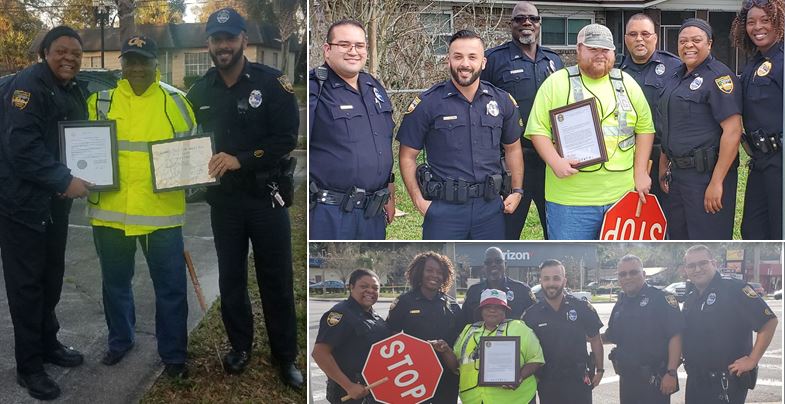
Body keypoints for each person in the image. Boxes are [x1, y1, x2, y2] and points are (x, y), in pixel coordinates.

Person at [186, 8, 302, 387]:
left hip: (266, 198)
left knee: (276, 280)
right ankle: (240, 347)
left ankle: (285, 357)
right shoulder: (199, 91)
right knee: (231, 279)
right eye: (216, 39)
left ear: (243, 41)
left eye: (230, 38)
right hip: (225, 204)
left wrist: (241, 159)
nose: (223, 45)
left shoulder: (272, 84)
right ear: (209, 44)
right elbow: (186, 142)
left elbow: (285, 140)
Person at [86, 35, 194, 377]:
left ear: (155, 62)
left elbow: (190, 154)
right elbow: (84, 150)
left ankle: (174, 354)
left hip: (160, 216)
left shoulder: (176, 101)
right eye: (130, 61)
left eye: (143, 61)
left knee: (171, 289)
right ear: (122, 65)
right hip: (110, 214)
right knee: (115, 284)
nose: (136, 68)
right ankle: (120, 341)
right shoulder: (100, 101)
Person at [0, 26, 91, 400]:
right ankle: (30, 366)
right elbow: (21, 148)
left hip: (53, 202)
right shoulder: (28, 88)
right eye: (61, 51)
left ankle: (49, 343)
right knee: (27, 287)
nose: (69, 58)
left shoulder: (70, 89)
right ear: (45, 52)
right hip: (21, 206)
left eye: (75, 53)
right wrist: (64, 178)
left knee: (52, 277)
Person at [524, 24, 655, 240]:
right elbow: (537, 130)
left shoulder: (627, 84)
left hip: (621, 196)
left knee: (615, 263)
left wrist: (640, 172)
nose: (600, 55)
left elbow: (645, 129)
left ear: (613, 52)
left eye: (605, 50)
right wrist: (555, 162)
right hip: (570, 200)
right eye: (593, 49)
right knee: (572, 261)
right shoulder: (556, 84)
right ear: (579, 50)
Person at [398, 29, 524, 240]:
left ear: (483, 62)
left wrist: (517, 191)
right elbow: (407, 155)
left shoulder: (502, 101)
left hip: (490, 209)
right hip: (444, 211)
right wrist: (419, 201)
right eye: (458, 57)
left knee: (487, 268)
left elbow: (513, 148)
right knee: (440, 268)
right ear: (448, 61)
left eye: (472, 57)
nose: (465, 63)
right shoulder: (428, 103)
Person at [482, 1, 563, 240]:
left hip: (550, 162)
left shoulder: (554, 61)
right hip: (513, 162)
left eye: (532, 18)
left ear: (539, 23)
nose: (526, 22)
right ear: (511, 25)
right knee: (508, 229)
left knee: (555, 229)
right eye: (520, 19)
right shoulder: (494, 60)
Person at [309, 19, 395, 240]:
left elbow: (384, 143)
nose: (353, 51)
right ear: (327, 50)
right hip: (330, 213)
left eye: (359, 45)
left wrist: (390, 193)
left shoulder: (373, 87)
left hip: (372, 212)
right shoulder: (315, 88)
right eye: (344, 44)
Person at [657, 19, 743, 240]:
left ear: (709, 44)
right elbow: (671, 124)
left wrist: (717, 182)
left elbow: (732, 132)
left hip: (706, 177)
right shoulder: (675, 76)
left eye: (696, 40)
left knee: (707, 240)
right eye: (683, 41)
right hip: (678, 176)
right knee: (679, 239)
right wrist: (664, 164)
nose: (688, 45)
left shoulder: (720, 77)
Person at [681, 245, 778, 404]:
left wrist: (752, 360)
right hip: (696, 382)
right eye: (691, 265)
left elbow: (769, 321)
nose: (697, 269)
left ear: (714, 263)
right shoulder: (691, 297)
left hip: (726, 384)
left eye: (703, 263)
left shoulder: (734, 289)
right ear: (686, 270)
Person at [434, 288, 543, 404]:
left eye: (497, 307)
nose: (492, 310)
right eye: (487, 307)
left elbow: (536, 359)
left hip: (515, 400)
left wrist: (519, 377)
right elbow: (456, 366)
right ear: (481, 310)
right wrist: (445, 350)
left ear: (505, 310)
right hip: (473, 399)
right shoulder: (469, 330)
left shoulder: (519, 329)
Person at [617, 13, 682, 208]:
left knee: (666, 214)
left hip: (664, 154)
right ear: (625, 38)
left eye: (645, 33)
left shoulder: (675, 67)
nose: (639, 39)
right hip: (625, 155)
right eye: (633, 34)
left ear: (655, 37)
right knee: (628, 211)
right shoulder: (615, 70)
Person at [732, 0, 784, 239]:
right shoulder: (754, 62)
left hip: (780, 161)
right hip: (759, 162)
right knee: (753, 230)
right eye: (751, 22)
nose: (757, 27)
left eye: (765, 20)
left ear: (779, 22)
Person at [602, 255, 684, 403]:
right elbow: (612, 335)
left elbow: (675, 336)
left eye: (633, 272)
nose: (628, 277)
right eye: (623, 274)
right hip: (627, 379)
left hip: (654, 380)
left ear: (644, 274)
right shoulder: (620, 303)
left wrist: (671, 373)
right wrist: (586, 336)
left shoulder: (661, 299)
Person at [522, 259, 604, 404]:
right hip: (548, 382)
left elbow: (595, 339)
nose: (551, 283)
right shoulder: (531, 315)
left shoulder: (582, 307)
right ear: (541, 281)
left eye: (556, 278)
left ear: (564, 281)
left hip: (579, 380)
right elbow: (524, 348)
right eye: (546, 279)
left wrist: (600, 369)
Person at [387, 252, 462, 404]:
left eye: (440, 272)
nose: (435, 275)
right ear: (420, 271)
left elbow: (461, 339)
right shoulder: (403, 302)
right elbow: (391, 337)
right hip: (414, 377)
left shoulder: (452, 305)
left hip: (446, 376)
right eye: (429, 270)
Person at [312, 269, 391, 404]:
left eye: (375, 288)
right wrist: (349, 386)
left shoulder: (374, 315)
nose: (370, 291)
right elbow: (319, 354)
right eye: (364, 286)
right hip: (350, 395)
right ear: (351, 287)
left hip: (372, 393)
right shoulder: (339, 314)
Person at [462, 246, 536, 326]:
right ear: (484, 266)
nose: (493, 265)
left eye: (498, 261)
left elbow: (534, 320)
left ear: (505, 264)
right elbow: (464, 323)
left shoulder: (522, 290)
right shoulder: (473, 292)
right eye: (488, 262)